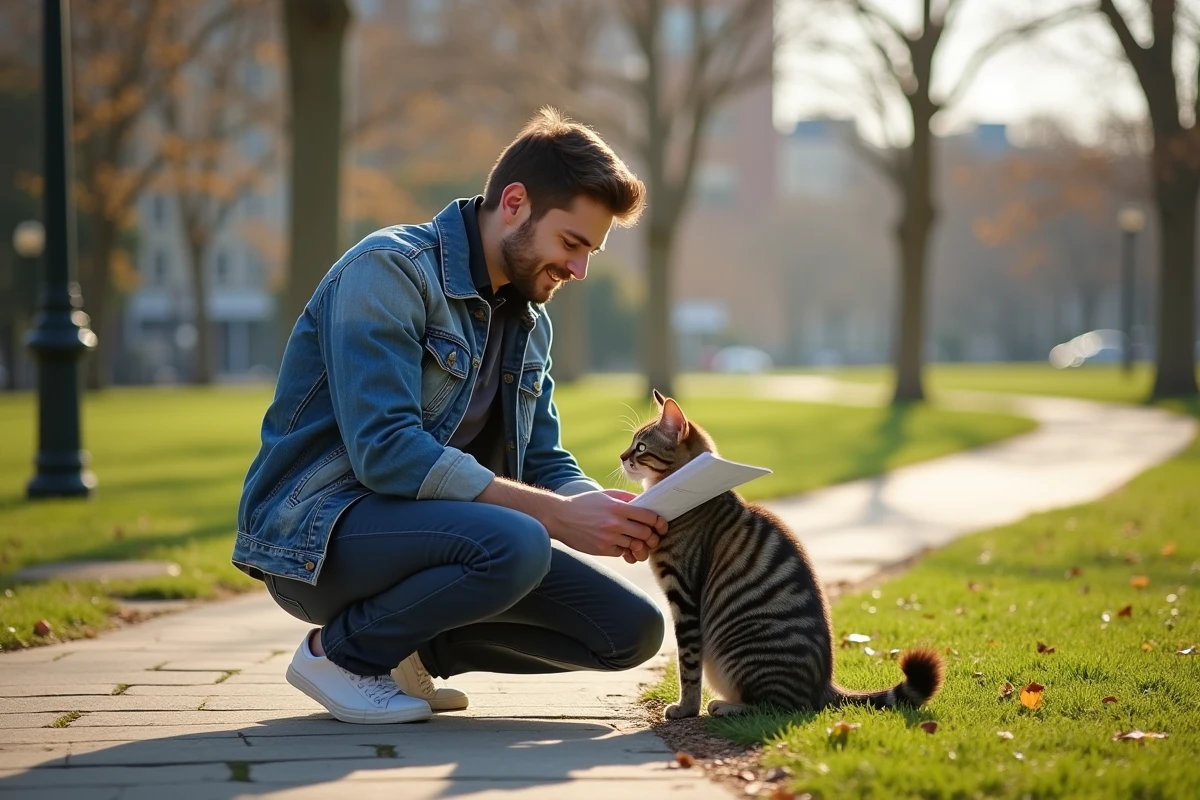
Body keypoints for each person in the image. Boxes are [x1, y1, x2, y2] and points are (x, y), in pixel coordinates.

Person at [232, 108, 667, 724]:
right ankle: (338, 654)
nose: (579, 269)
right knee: (520, 540)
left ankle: (403, 649)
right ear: (514, 203)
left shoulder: (529, 321)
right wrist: (557, 517)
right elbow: (386, 451)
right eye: (572, 243)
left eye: (589, 252)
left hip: (451, 541)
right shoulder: (387, 271)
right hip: (317, 538)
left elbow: (542, 459)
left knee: (631, 630)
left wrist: (599, 510)